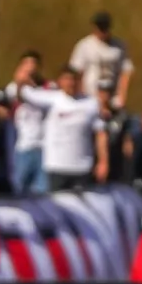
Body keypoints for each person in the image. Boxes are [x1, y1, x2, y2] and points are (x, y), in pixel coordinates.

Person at [14, 64, 108, 192]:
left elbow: (100, 133)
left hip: (82, 167)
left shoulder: (91, 103)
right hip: (56, 166)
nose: (71, 83)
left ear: (79, 81)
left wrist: (103, 161)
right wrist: (22, 79)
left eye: (74, 79)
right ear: (60, 81)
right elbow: (24, 94)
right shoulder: (51, 99)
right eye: (67, 79)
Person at [5, 51, 49, 195]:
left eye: (33, 63)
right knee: (19, 187)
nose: (30, 67)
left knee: (41, 190)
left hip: (44, 147)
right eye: (26, 63)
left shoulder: (48, 87)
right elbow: (17, 98)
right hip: (24, 146)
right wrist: (21, 82)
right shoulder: (13, 88)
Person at [69, 11, 134, 105]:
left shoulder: (119, 46)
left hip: (111, 98)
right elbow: (77, 72)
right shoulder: (85, 45)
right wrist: (80, 95)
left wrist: (122, 96)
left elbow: (126, 72)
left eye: (104, 28)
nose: (100, 31)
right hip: (88, 96)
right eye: (98, 28)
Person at [96, 79, 132, 183]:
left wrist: (128, 141)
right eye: (102, 92)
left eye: (108, 92)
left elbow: (126, 135)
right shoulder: (91, 113)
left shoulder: (120, 115)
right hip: (94, 160)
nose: (105, 95)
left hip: (115, 160)